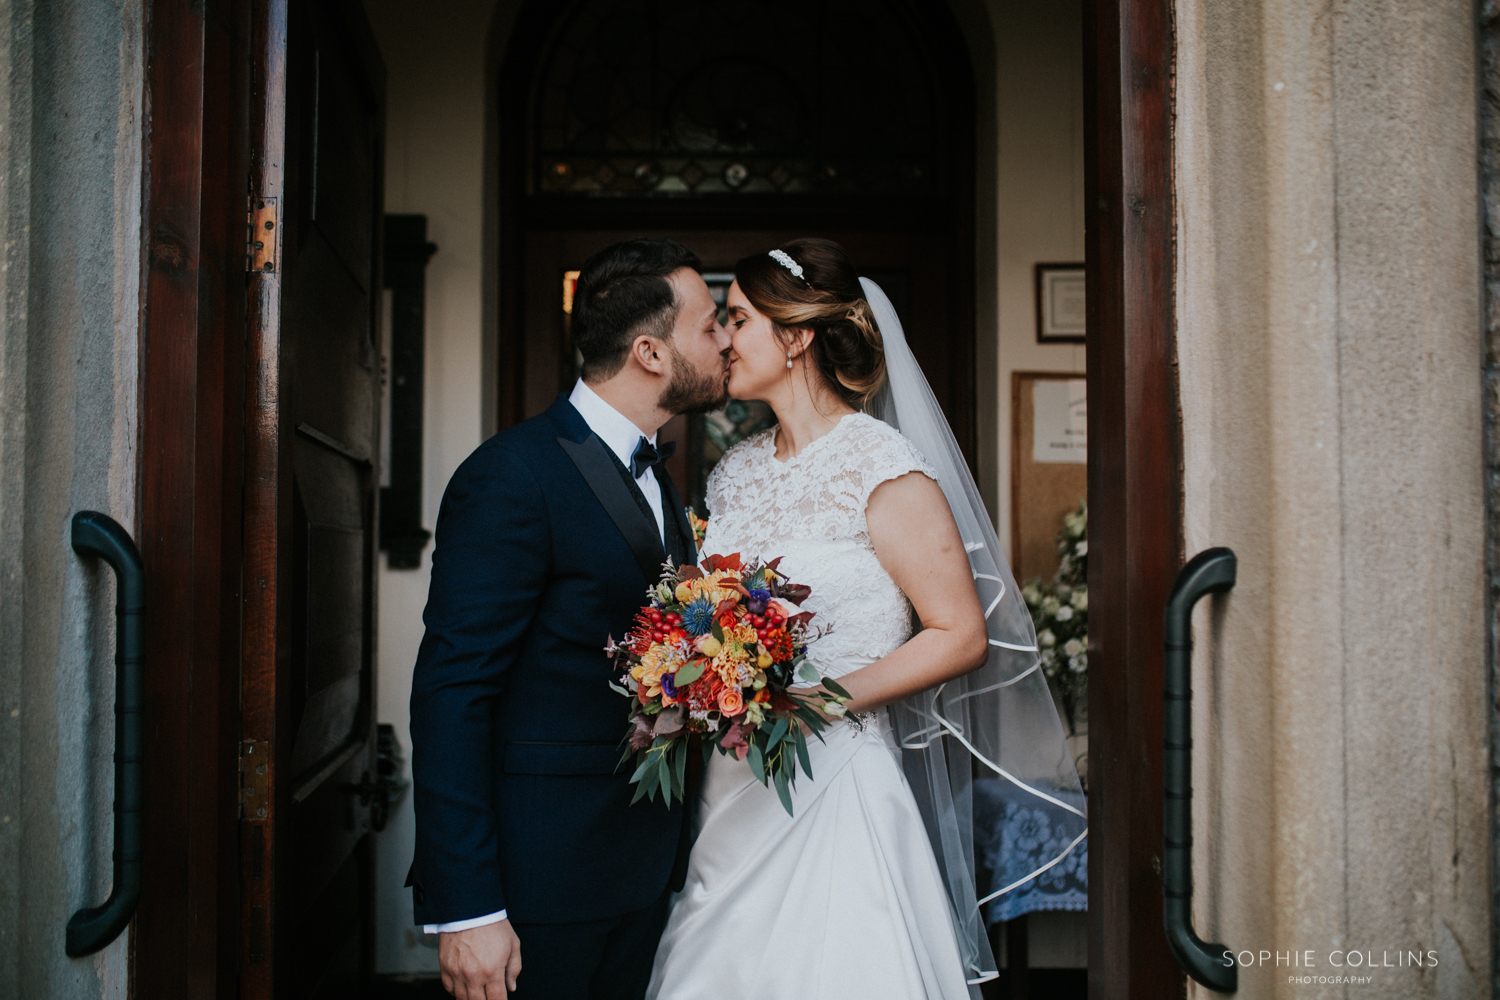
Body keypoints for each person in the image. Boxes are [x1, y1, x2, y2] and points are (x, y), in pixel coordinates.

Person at [646, 239, 1085, 999]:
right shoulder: (736, 470)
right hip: (733, 784)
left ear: (796, 337)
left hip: (837, 777)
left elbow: (960, 633)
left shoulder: (881, 465)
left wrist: (820, 700)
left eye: (739, 319)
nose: (722, 338)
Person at [407, 237, 730, 1000]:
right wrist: (468, 907)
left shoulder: (661, 475)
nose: (726, 341)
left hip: (641, 872)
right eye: (710, 324)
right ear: (651, 351)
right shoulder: (512, 475)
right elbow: (452, 693)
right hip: (536, 887)